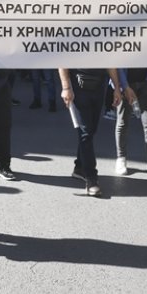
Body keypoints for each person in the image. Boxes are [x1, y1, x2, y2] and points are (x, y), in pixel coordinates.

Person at [58, 67, 122, 197]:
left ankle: (80, 167)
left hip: (99, 85)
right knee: (86, 132)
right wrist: (66, 88)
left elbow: (109, 61)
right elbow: (63, 59)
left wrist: (116, 87)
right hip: (78, 85)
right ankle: (91, 179)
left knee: (90, 130)